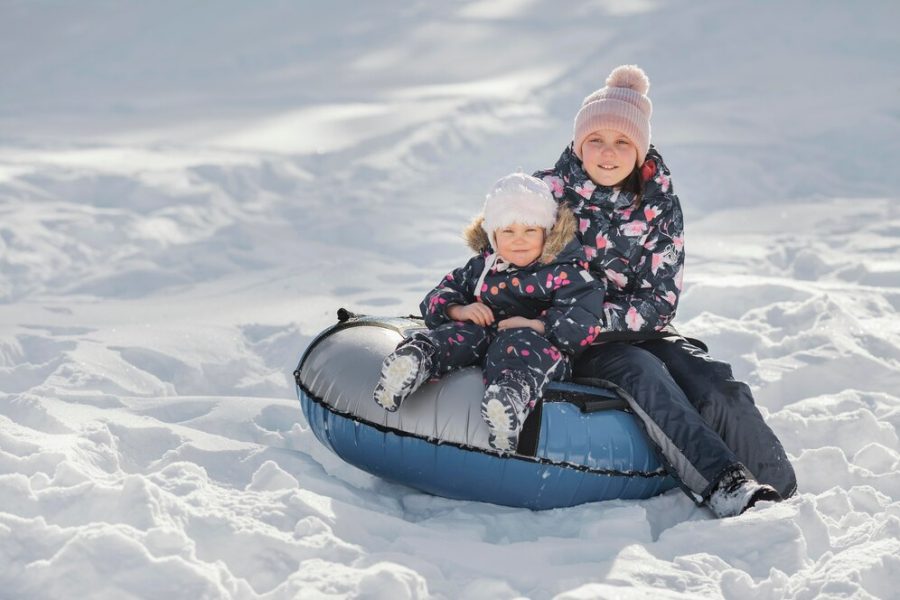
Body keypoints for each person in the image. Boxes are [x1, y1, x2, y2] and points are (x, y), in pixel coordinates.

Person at [533, 64, 797, 518]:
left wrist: (613, 317)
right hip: (574, 335)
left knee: (716, 384)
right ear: (579, 144)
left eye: (622, 142)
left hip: (641, 328)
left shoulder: (658, 204)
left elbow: (661, 299)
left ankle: (783, 491)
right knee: (644, 373)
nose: (608, 153)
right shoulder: (546, 196)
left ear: (639, 149)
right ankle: (725, 484)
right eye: (596, 140)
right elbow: (510, 263)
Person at [373, 173, 605, 452]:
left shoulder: (566, 272)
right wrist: (459, 309)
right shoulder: (482, 267)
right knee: (462, 332)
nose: (519, 240)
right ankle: (415, 362)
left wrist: (536, 325)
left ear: (547, 231)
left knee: (520, 344)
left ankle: (509, 400)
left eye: (530, 230)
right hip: (483, 337)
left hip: (537, 347)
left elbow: (583, 322)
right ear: (494, 235)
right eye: (508, 231)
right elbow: (438, 296)